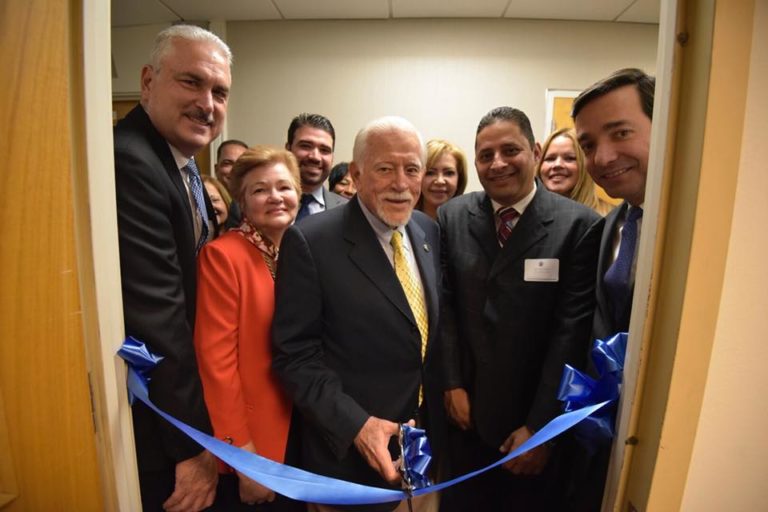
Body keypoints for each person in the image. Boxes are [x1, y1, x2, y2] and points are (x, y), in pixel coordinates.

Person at [272, 116, 442, 512]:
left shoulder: (426, 231)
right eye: (385, 169)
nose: (401, 183)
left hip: (422, 458)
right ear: (357, 173)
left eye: (412, 169)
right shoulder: (311, 241)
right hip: (350, 467)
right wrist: (357, 427)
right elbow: (294, 356)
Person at [438, 107, 603, 511]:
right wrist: (451, 382)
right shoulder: (452, 216)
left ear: (535, 150)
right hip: (464, 420)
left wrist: (541, 429)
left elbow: (572, 333)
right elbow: (444, 307)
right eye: (485, 155)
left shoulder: (578, 225)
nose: (497, 164)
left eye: (509, 150)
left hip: (531, 428)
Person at [114, 24, 231, 511]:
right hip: (160, 425)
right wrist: (192, 447)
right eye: (191, 82)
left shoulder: (180, 165)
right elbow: (158, 320)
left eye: (219, 91)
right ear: (147, 82)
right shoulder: (132, 163)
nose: (207, 103)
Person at [568, 67, 655, 511]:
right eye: (588, 145)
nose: (602, 157)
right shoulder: (610, 227)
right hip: (607, 438)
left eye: (621, 133)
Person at [195, 146, 300, 510]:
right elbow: (217, 367)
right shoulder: (223, 257)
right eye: (260, 190)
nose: (275, 197)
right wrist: (246, 460)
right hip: (257, 445)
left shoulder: (302, 254)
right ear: (241, 199)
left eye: (284, 187)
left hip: (303, 437)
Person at [537, 127, 613, 216]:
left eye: (569, 158)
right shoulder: (525, 215)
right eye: (550, 159)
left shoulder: (607, 218)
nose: (557, 165)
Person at [285, 113, 347, 221]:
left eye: (324, 150)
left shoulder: (348, 211)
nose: (315, 157)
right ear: (288, 149)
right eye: (305, 146)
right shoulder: (261, 203)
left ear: (332, 157)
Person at [416, 139, 468, 219]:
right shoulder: (402, 223)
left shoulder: (470, 223)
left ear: (459, 179)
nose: (440, 181)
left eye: (449, 173)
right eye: (430, 173)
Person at [215, 139, 248, 230]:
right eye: (227, 163)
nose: (234, 170)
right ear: (216, 169)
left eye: (241, 164)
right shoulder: (203, 201)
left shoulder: (257, 205)